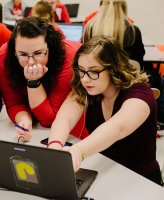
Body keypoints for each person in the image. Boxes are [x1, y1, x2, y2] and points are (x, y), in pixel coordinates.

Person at [48, 35, 163, 186]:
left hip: (140, 180)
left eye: (94, 71)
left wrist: (78, 151)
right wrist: (55, 148)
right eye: (81, 71)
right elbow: (65, 118)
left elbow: (117, 128)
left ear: (113, 69)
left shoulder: (141, 95)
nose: (85, 79)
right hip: (105, 172)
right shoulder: (89, 88)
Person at [0, 17, 87, 141]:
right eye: (23, 54)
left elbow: (49, 119)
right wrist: (24, 121)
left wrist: (33, 82)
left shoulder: (69, 57)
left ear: (50, 48)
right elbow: (14, 104)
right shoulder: (3, 57)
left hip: (75, 128)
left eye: (38, 53)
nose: (31, 62)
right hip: (39, 121)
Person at [83, 0, 144, 68]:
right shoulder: (133, 30)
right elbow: (138, 60)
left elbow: (84, 55)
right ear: (123, 8)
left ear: (102, 7)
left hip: (95, 75)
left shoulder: (89, 28)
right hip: (124, 76)